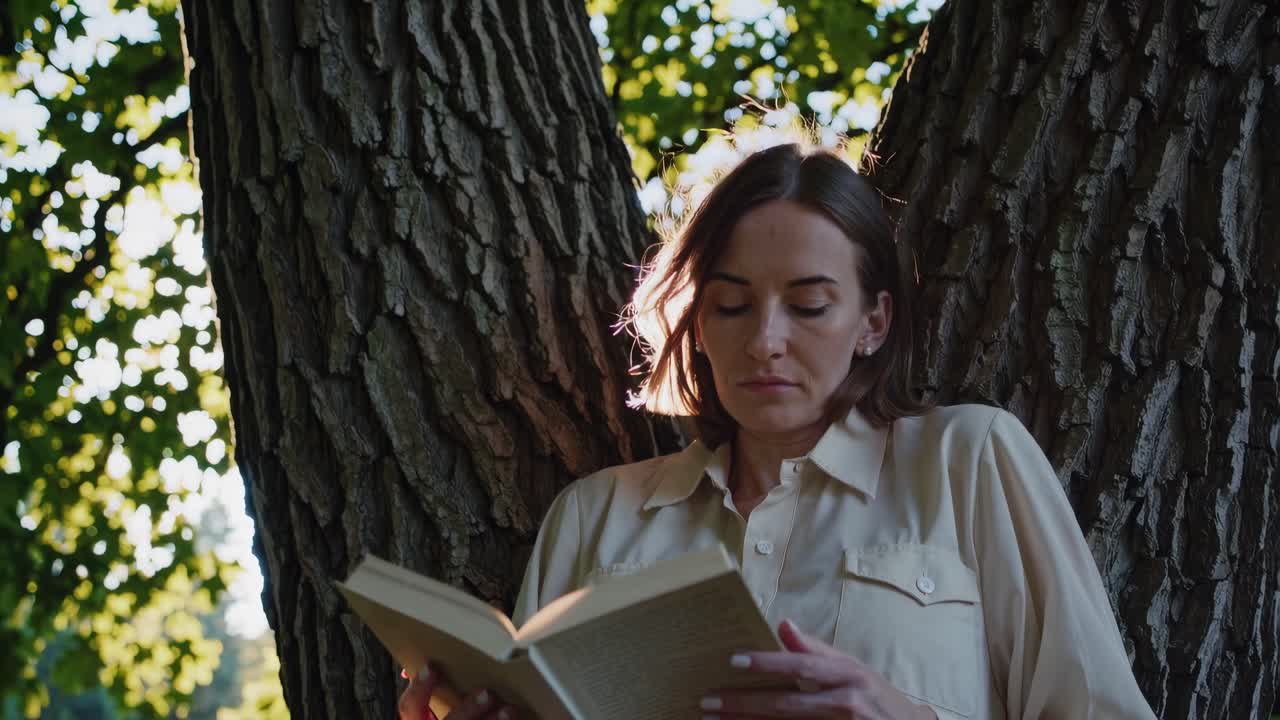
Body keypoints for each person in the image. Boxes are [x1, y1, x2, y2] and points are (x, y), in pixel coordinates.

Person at [398, 141, 1157, 719]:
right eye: (731, 307)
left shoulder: (970, 460)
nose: (764, 340)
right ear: (697, 325)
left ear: (873, 322)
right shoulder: (597, 516)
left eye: (809, 305)